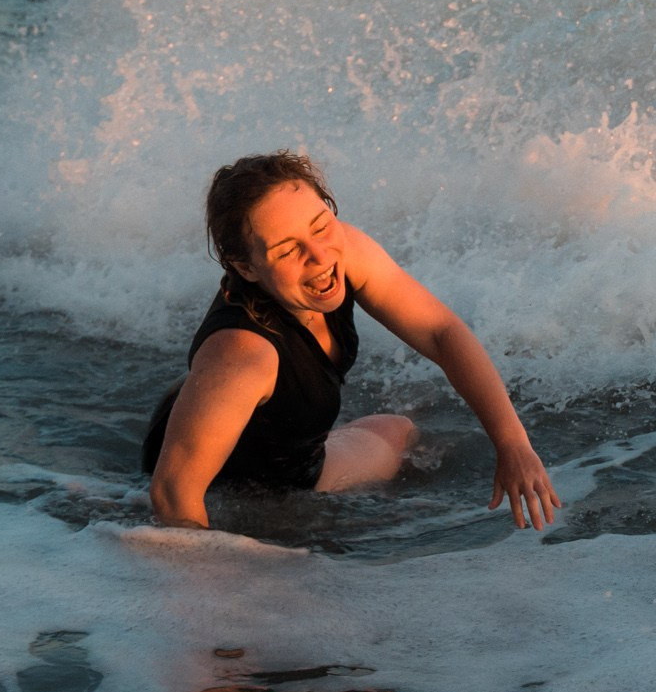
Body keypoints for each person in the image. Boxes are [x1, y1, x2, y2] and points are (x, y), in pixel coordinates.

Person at [142, 151, 559, 531]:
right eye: (287, 251)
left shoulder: (341, 254)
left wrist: (513, 445)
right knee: (395, 435)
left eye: (321, 225)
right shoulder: (244, 355)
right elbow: (172, 496)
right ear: (244, 267)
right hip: (239, 482)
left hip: (271, 436)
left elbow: (441, 332)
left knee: (400, 429)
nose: (320, 257)